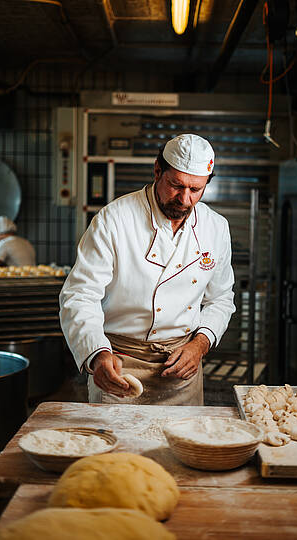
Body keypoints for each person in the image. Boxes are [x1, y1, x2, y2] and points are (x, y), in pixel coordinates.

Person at [59, 134, 235, 405]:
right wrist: (97, 354)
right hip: (119, 364)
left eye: (196, 189)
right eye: (176, 185)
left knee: (183, 446)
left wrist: (200, 344)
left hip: (182, 368)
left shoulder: (216, 227)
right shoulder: (114, 219)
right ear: (157, 170)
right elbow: (80, 295)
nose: (185, 199)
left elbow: (220, 299)